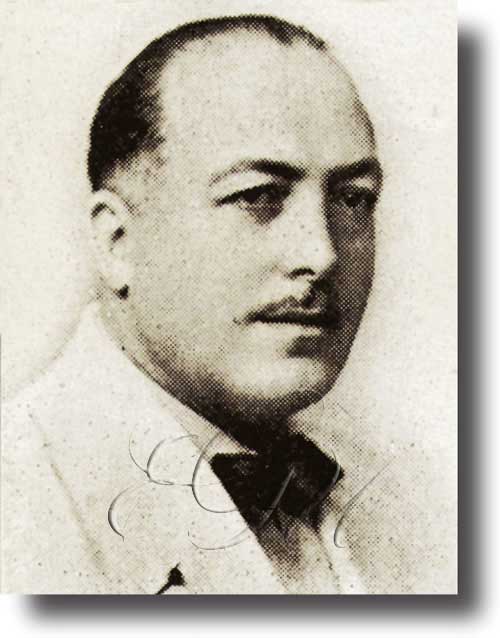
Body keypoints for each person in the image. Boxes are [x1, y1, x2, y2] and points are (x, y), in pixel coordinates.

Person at [3, 14, 445, 595]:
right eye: (257, 196)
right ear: (118, 243)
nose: (321, 253)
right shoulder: (19, 499)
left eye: (353, 199)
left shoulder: (418, 495)